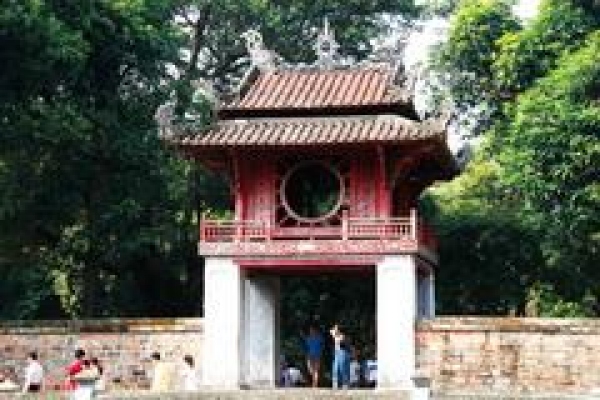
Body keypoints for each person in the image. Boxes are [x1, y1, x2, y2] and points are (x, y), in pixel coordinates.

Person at [329, 324, 350, 389]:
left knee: (343, 369)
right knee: (335, 369)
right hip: (337, 353)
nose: (334, 329)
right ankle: (335, 385)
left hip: (343, 353)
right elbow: (330, 331)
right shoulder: (336, 335)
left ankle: (345, 384)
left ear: (339, 330)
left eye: (336, 328)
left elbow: (340, 342)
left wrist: (334, 334)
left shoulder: (342, 336)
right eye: (334, 328)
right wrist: (334, 332)